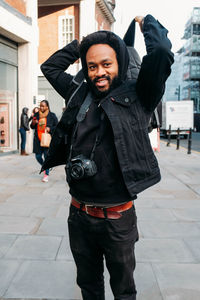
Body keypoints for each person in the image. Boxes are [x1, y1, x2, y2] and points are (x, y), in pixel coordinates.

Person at [40, 15, 174, 300]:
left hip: (118, 219)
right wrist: (83, 45)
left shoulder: (141, 94)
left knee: (123, 291)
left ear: (119, 64)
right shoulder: (79, 91)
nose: (98, 72)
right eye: (92, 66)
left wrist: (146, 22)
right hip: (79, 215)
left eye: (106, 64)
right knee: (89, 287)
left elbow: (161, 51)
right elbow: (49, 67)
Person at [30, 100, 58, 182]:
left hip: (47, 140)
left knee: (46, 157)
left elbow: (57, 126)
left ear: (47, 107)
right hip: (38, 140)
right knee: (38, 157)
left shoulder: (52, 116)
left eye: (43, 106)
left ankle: (46, 174)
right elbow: (32, 126)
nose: (41, 107)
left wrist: (50, 128)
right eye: (40, 106)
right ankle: (45, 167)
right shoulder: (36, 114)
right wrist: (34, 123)